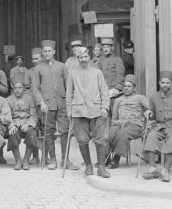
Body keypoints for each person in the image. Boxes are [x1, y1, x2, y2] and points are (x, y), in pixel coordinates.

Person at [31, 40, 79, 171]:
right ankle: (52, 160)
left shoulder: (62, 66)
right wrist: (41, 103)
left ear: (54, 52)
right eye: (45, 51)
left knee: (65, 132)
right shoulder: (38, 68)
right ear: (43, 53)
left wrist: (69, 103)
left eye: (49, 51)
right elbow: (35, 89)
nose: (47, 53)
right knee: (48, 132)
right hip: (47, 105)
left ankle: (65, 160)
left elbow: (69, 85)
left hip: (62, 104)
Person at [66, 47, 111, 177]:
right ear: (77, 59)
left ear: (89, 57)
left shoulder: (97, 72)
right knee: (82, 140)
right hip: (78, 111)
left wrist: (105, 107)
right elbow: (69, 94)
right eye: (80, 57)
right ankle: (88, 166)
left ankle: (101, 168)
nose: (83, 60)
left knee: (101, 139)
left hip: (97, 110)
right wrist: (69, 111)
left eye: (85, 57)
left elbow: (104, 91)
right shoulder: (72, 73)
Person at [107, 74, 151, 169]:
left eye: (129, 86)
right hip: (120, 123)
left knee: (122, 134)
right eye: (125, 86)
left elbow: (150, 109)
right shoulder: (118, 100)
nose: (126, 88)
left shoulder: (140, 97)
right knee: (109, 134)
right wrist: (114, 126)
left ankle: (116, 159)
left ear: (134, 88)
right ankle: (105, 158)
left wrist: (148, 111)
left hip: (134, 125)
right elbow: (114, 117)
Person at [7, 81, 39, 170]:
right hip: (15, 124)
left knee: (32, 135)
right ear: (13, 89)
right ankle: (18, 161)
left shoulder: (30, 99)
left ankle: (25, 160)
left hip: (27, 123)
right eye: (15, 88)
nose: (17, 90)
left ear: (23, 89)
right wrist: (11, 125)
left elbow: (34, 115)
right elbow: (7, 115)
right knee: (12, 134)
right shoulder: (8, 100)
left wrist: (28, 125)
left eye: (20, 88)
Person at [99, 37, 125, 109]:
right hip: (104, 92)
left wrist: (118, 88)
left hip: (114, 93)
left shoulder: (117, 59)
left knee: (114, 114)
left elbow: (121, 75)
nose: (105, 49)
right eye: (104, 47)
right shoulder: (101, 60)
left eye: (107, 47)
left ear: (112, 47)